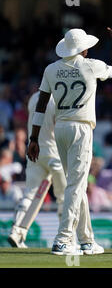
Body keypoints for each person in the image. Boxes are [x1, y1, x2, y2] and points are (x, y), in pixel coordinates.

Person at [27, 19, 112, 255]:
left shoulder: (50, 69)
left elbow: (41, 104)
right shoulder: (90, 65)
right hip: (81, 128)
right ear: (83, 49)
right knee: (76, 185)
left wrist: (34, 138)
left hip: (59, 129)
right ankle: (63, 239)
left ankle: (86, 240)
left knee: (77, 184)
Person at [8, 92, 66, 249]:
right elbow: (60, 126)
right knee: (63, 198)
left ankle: (17, 231)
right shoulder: (61, 97)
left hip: (35, 152)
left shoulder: (34, 98)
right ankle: (65, 239)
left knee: (30, 194)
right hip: (55, 154)